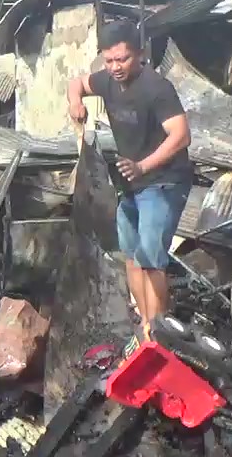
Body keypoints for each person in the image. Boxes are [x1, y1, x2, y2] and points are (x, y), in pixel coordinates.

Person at [67, 20, 193, 336]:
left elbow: (181, 135)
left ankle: (160, 333)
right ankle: (146, 322)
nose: (115, 67)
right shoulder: (107, 81)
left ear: (139, 53)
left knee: (150, 258)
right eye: (109, 60)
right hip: (131, 184)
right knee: (132, 256)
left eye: (122, 59)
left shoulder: (156, 88)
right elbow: (77, 83)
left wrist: (143, 166)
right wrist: (75, 102)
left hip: (163, 181)